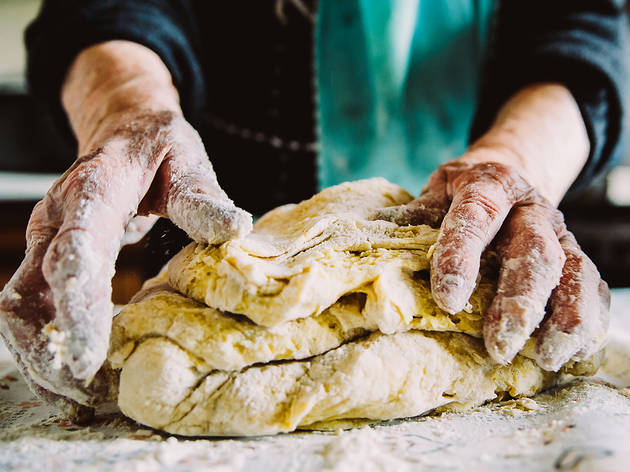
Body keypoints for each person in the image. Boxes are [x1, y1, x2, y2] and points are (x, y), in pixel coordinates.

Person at [0, 0, 627, 416]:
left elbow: (581, 25)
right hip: (215, 212)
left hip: (483, 230)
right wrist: (128, 108)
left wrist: (514, 160)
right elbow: (103, 6)